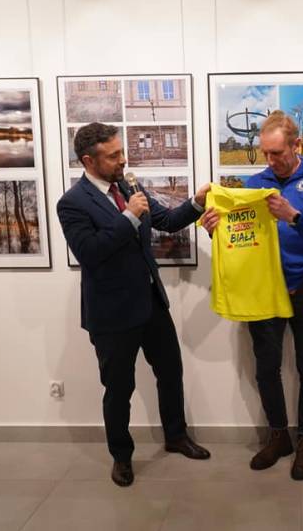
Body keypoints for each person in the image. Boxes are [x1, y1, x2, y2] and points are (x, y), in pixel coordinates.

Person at [57, 122, 211, 488]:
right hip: (112, 314)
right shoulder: (72, 203)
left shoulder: (128, 186)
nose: (123, 159)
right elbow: (90, 252)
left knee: (170, 373)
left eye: (121, 151)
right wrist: (129, 217)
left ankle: (176, 436)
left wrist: (196, 203)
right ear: (88, 160)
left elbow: (166, 221)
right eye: (113, 155)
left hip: (151, 303)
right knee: (119, 389)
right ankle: (122, 457)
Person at [200, 111, 303, 480]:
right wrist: (215, 230)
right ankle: (279, 437)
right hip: (262, 289)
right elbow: (239, 238)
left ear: (296, 145)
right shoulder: (254, 184)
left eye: (277, 152)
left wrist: (294, 216)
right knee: (266, 369)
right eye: (265, 152)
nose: (270, 160)